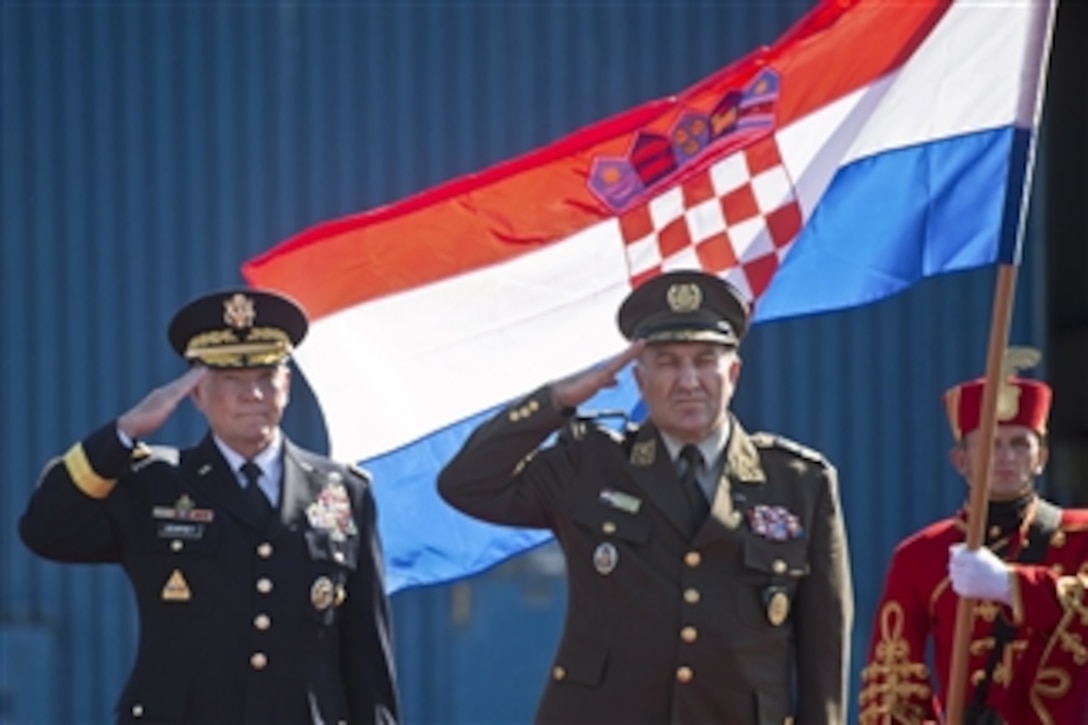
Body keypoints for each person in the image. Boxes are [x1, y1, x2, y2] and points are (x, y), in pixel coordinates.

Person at [438, 269, 853, 724]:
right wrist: (556, 401)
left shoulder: (799, 483)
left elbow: (822, 652)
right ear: (639, 379)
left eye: (704, 360)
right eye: (668, 362)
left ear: (732, 373)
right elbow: (467, 483)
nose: (688, 380)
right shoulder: (591, 464)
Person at [20, 288, 399, 724]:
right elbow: (46, 529)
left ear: (287, 385)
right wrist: (123, 434)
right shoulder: (155, 483)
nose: (251, 394)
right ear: (197, 395)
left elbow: (366, 654)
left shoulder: (343, 491)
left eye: (264, 376)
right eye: (230, 380)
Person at [858, 355, 1088, 724]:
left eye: (1019, 444)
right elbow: (893, 682)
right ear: (960, 460)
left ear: (1041, 457)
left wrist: (1013, 588)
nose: (1005, 457)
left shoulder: (1081, 536)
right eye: (990, 444)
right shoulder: (920, 556)